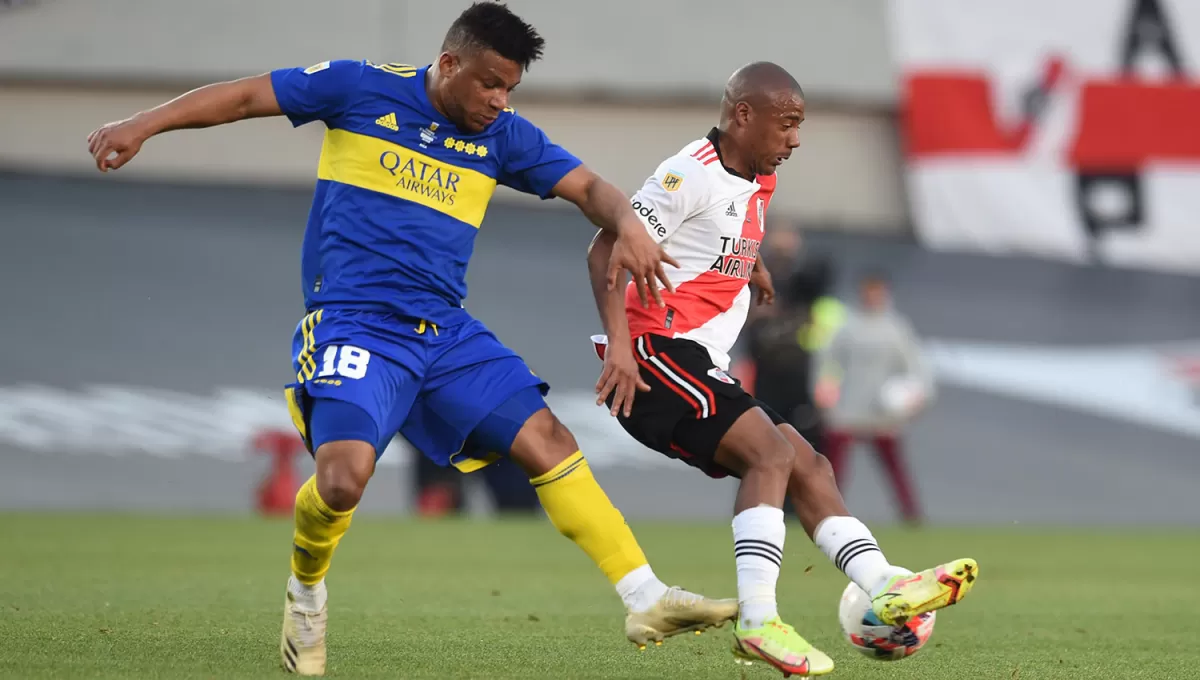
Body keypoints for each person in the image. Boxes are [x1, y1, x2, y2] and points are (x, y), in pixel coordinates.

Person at [86, 3, 739, 675]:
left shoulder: (504, 136)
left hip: (445, 332)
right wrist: (144, 123)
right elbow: (249, 95)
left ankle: (645, 596)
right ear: (449, 63)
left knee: (548, 440)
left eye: (510, 88)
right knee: (342, 482)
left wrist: (628, 224)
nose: (498, 100)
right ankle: (306, 592)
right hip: (354, 321)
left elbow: (589, 187)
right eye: (489, 83)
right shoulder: (358, 87)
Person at [586, 62, 977, 677]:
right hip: (652, 353)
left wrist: (751, 264)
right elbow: (606, 247)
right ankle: (758, 620)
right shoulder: (688, 173)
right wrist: (616, 345)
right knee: (770, 454)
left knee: (808, 461)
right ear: (744, 115)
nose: (796, 139)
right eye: (787, 124)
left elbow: (723, 229)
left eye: (800, 125)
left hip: (693, 359)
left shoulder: (757, 173)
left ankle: (882, 585)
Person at [815, 270, 933, 524]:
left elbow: (915, 365)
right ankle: (829, 512)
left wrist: (919, 394)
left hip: (883, 409)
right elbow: (826, 361)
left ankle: (911, 515)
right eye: (868, 291)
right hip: (848, 406)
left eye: (877, 292)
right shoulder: (847, 326)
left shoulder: (896, 328)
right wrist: (823, 388)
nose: (872, 297)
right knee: (834, 465)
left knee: (894, 466)